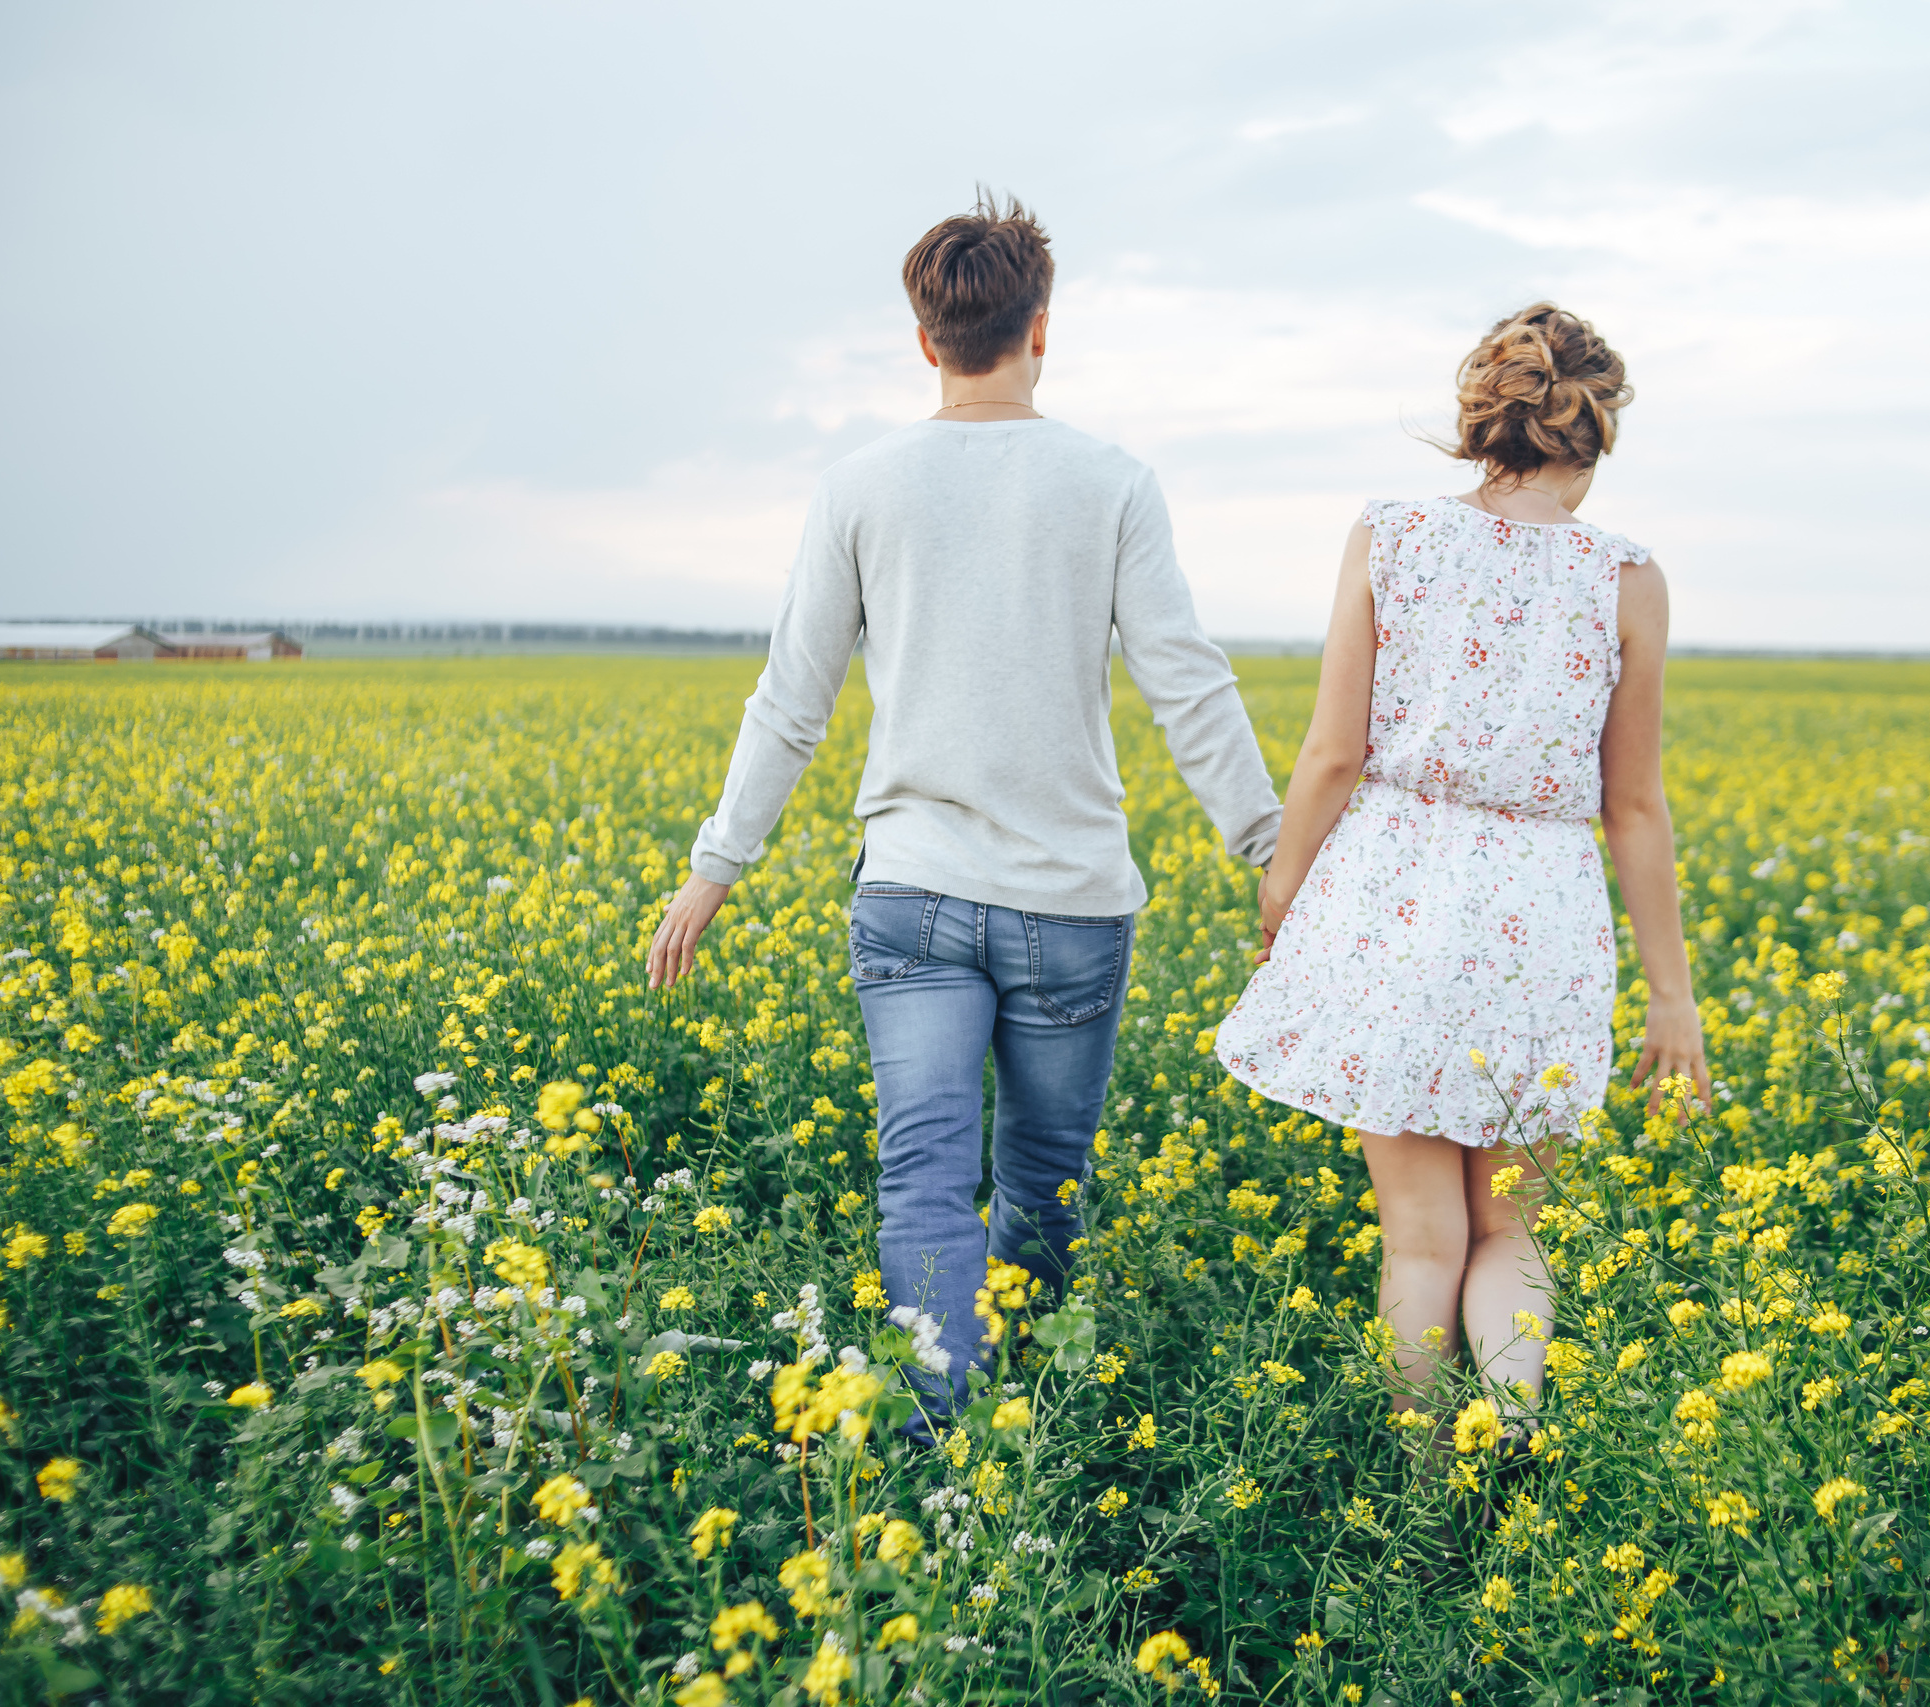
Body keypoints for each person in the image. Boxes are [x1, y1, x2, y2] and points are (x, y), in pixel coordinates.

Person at [645, 193, 1283, 1423]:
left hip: (912, 896)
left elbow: (792, 700)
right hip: (1069, 904)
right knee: (1042, 1181)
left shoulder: (858, 486)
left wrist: (715, 867)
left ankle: (952, 1458)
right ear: (1041, 329)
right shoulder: (1113, 484)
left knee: (921, 1176)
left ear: (925, 339)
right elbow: (1185, 683)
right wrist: (1267, 847)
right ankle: (1018, 1432)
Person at [1214, 303, 1711, 1417]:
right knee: (1511, 1234)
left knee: (1421, 1246)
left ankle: (1427, 1489)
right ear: (1594, 435)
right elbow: (1633, 805)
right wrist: (1670, 1000)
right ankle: (1514, 1435)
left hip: (1395, 896)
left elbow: (1334, 749)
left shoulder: (1390, 533)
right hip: (1540, 911)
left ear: (1479, 417)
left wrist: (1284, 888)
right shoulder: (1627, 576)